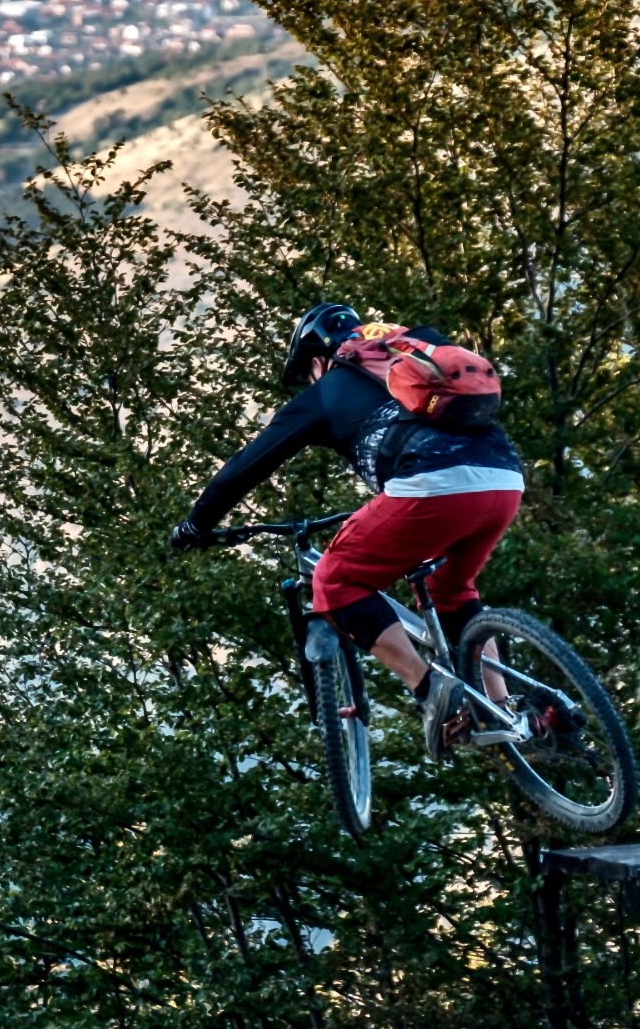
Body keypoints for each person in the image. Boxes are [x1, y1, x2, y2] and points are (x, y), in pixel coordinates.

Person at [169, 302, 524, 750]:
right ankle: (507, 709)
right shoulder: (417, 346)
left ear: (317, 360)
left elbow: (244, 469)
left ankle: (431, 690)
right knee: (453, 592)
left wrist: (196, 525)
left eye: (307, 372)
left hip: (432, 485)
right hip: (505, 479)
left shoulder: (325, 392)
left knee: (335, 580)